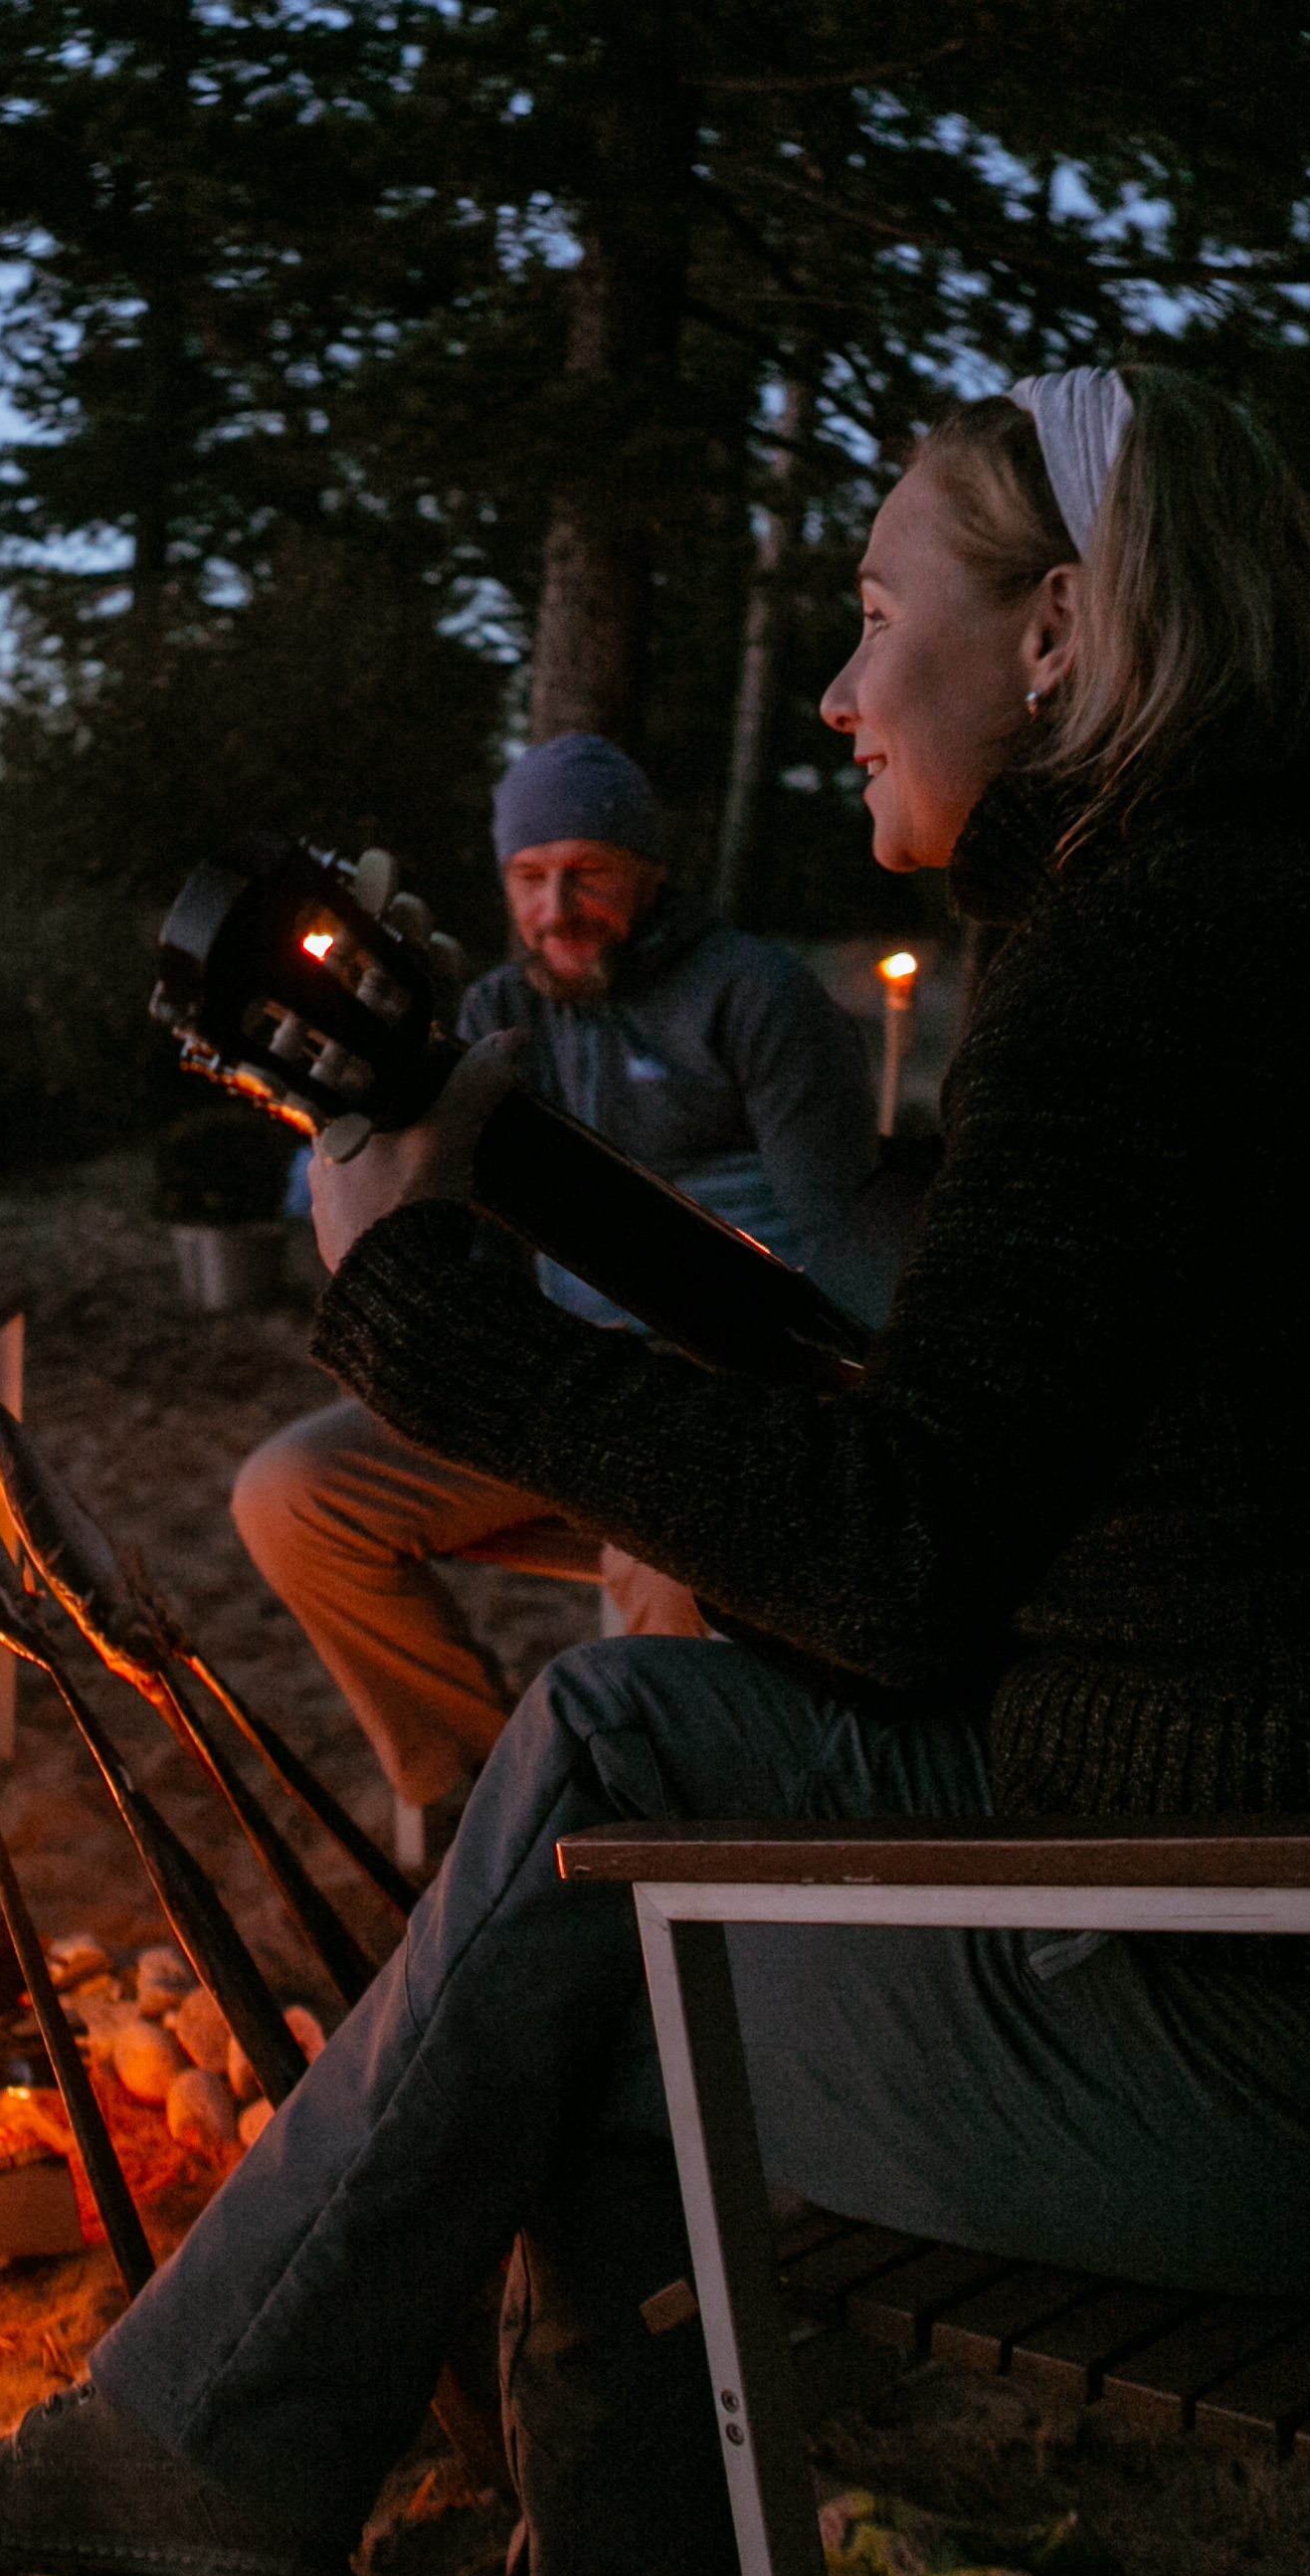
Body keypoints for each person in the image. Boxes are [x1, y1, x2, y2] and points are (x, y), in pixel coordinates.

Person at [0, 367, 1310, 2576]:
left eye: (881, 610)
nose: (830, 685)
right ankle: (227, 2453)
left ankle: (254, 2469)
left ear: (1061, 638)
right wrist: (516, 1174)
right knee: (614, 1751)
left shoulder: (1152, 966)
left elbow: (895, 1557)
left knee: (586, 1994)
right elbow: (946, 1399)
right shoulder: (1267, 927)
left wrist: (417, 1304)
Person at [231, 731, 895, 1825]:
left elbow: (841, 1240)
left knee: (668, 1545)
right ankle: (491, 1806)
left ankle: (663, 1846)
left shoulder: (756, 995)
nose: (558, 906)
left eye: (587, 871)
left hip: (734, 1388)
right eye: (530, 879)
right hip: (560, 1376)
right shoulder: (495, 1011)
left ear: (649, 869)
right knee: (292, 1496)